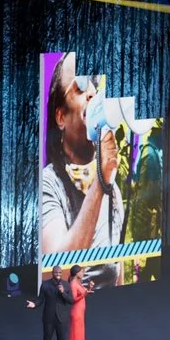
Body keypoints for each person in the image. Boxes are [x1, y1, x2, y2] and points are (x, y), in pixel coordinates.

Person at [40, 53, 125, 266]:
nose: (91, 93)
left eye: (93, 85)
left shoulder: (113, 190)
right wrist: (101, 183)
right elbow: (56, 268)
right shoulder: (47, 183)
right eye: (80, 87)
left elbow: (118, 274)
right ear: (61, 117)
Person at [29, 267, 76, 340]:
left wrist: (63, 292)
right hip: (48, 318)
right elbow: (40, 299)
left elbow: (71, 300)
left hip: (62, 318)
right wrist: (34, 304)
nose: (58, 274)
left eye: (60, 272)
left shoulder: (66, 285)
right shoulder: (45, 285)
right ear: (52, 273)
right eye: (56, 272)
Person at [66, 267, 93, 340]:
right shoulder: (73, 284)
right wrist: (84, 294)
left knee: (80, 336)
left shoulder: (78, 282)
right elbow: (73, 299)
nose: (83, 273)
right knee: (76, 336)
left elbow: (83, 294)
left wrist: (89, 288)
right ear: (76, 273)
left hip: (80, 312)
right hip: (76, 313)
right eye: (81, 272)